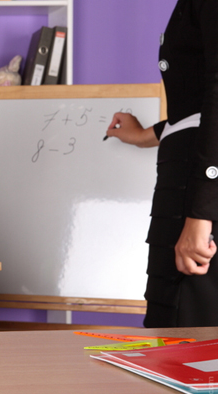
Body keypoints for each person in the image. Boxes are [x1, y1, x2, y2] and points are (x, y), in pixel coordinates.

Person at [105, 0, 218, 327]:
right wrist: (145, 135)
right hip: (186, 185)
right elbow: (196, 108)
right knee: (173, 330)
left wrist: (201, 216)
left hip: (196, 193)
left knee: (187, 332)